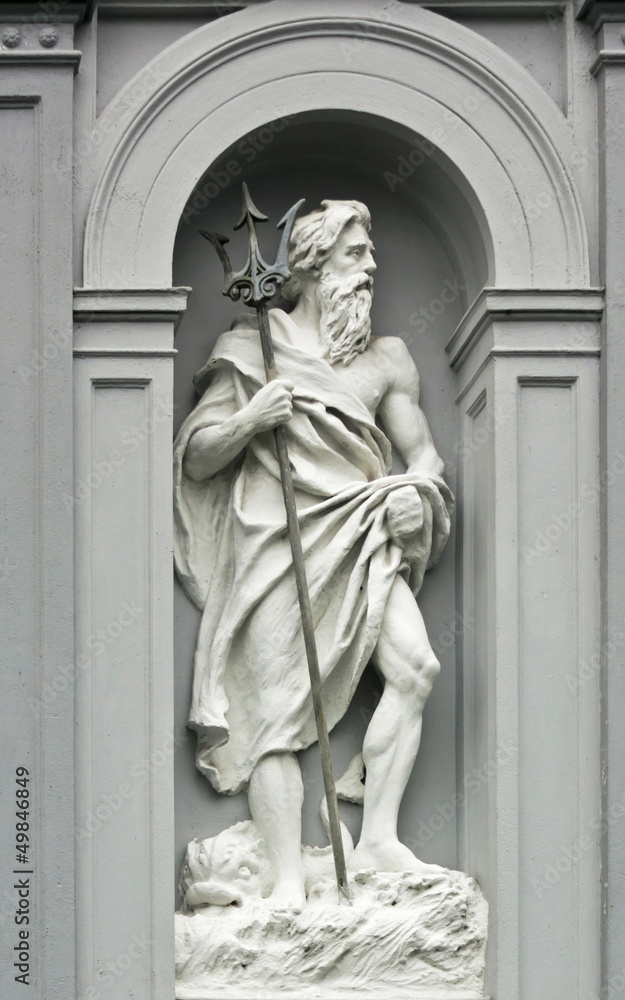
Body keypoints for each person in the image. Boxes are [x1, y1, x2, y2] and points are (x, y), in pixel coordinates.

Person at [174, 199, 452, 908]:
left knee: (416, 668)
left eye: (372, 256)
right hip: (276, 542)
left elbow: (424, 458)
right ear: (311, 265)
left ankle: (380, 837)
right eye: (357, 254)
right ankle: (287, 881)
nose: (371, 269)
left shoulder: (388, 360)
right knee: (276, 714)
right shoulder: (250, 347)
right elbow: (201, 459)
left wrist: (415, 496)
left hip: (362, 533)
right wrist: (249, 419)